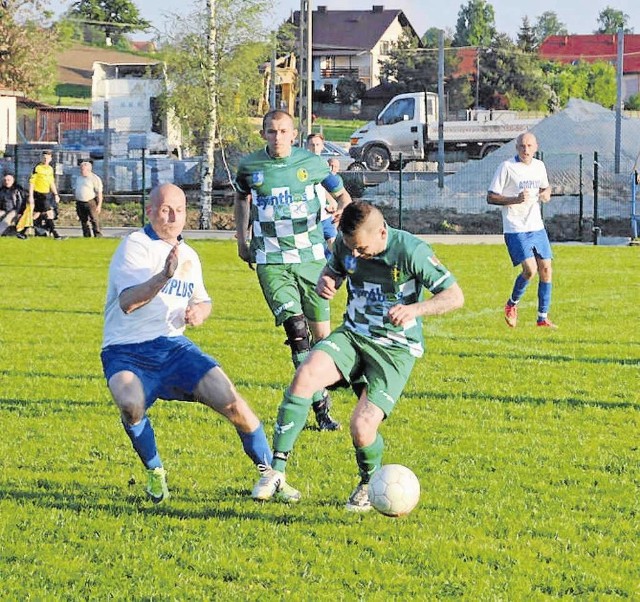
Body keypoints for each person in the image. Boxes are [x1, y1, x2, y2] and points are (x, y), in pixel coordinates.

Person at [251, 200, 464, 510]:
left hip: (395, 348)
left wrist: (414, 309)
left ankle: (369, 482)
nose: (355, 254)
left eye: (362, 249)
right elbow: (335, 269)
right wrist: (328, 280)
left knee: (362, 428)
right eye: (351, 248)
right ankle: (276, 472)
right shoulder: (347, 245)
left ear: (381, 232)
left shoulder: (410, 250)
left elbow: (455, 296)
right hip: (353, 335)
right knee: (305, 375)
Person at [100, 183, 296, 503]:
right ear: (150, 212)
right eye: (165, 209)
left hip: (174, 349)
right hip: (126, 351)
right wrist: (163, 276)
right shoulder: (134, 246)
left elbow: (203, 300)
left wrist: (199, 312)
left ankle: (270, 475)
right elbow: (128, 302)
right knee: (130, 405)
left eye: (179, 209)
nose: (174, 215)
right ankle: (155, 472)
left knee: (234, 403)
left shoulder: (189, 255)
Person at [234, 110, 352, 432]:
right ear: (263, 134)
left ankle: (324, 392)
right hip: (271, 261)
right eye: (271, 132)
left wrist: (342, 212)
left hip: (312, 259)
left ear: (293, 133)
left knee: (322, 341)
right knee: (298, 334)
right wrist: (242, 239)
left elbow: (343, 195)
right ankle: (319, 409)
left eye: (283, 131)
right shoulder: (250, 167)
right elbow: (241, 198)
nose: (277, 137)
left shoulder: (312, 164)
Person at [487, 132, 556, 328]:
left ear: (536, 147)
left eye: (529, 146)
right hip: (515, 227)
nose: (526, 150)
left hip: (536, 226)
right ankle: (511, 304)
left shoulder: (539, 166)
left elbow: (546, 188)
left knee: (546, 268)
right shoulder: (507, 167)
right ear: (516, 147)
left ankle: (542, 318)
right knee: (530, 270)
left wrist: (546, 193)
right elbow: (491, 197)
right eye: (522, 146)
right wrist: (514, 200)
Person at [306, 132, 339, 256]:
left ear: (322, 146)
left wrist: (331, 201)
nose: (314, 147)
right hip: (310, 216)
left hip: (324, 214)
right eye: (312, 145)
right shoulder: (304, 165)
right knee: (313, 248)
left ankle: (332, 271)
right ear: (307, 146)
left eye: (317, 144)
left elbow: (326, 188)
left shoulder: (324, 165)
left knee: (333, 244)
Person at [28, 149, 63, 239]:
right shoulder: (37, 168)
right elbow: (32, 182)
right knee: (49, 213)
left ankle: (23, 231)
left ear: (50, 159)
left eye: (47, 158)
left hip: (47, 194)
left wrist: (56, 194)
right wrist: (31, 196)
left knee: (36, 214)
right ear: (41, 158)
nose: (45, 160)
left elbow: (51, 182)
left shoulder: (50, 169)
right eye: (44, 158)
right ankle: (55, 234)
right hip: (39, 194)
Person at [74, 160, 103, 237]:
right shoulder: (79, 178)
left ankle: (97, 234)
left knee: (94, 219)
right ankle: (86, 235)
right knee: (83, 220)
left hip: (90, 201)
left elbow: (99, 192)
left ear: (89, 170)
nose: (82, 171)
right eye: (81, 169)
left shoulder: (94, 178)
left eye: (83, 169)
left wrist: (99, 205)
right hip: (80, 202)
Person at [0, 172, 25, 236]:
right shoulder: (1, 190)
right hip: (4, 210)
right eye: (5, 180)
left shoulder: (17, 190)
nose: (6, 182)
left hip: (15, 210)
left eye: (8, 180)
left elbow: (21, 202)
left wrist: (20, 213)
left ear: (13, 181)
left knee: (6, 220)